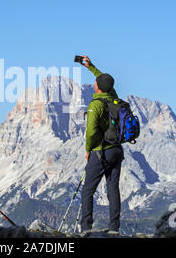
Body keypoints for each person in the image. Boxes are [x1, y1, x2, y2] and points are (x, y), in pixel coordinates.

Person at [78, 55, 125, 234]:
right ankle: (114, 228)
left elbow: (90, 132)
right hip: (117, 150)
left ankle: (85, 228)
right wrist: (91, 67)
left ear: (96, 87)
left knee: (88, 190)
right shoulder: (113, 97)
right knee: (113, 188)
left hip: (100, 152)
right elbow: (105, 80)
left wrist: (88, 149)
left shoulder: (95, 105)